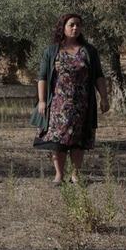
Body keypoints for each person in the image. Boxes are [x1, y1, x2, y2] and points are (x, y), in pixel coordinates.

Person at [29, 13, 109, 187]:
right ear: (63, 27)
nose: (75, 28)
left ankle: (76, 175)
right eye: (71, 24)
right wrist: (42, 101)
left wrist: (104, 97)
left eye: (78, 25)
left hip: (83, 104)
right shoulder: (52, 51)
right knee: (58, 141)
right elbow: (42, 77)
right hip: (58, 105)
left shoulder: (89, 51)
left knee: (79, 140)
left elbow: (98, 76)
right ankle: (59, 175)